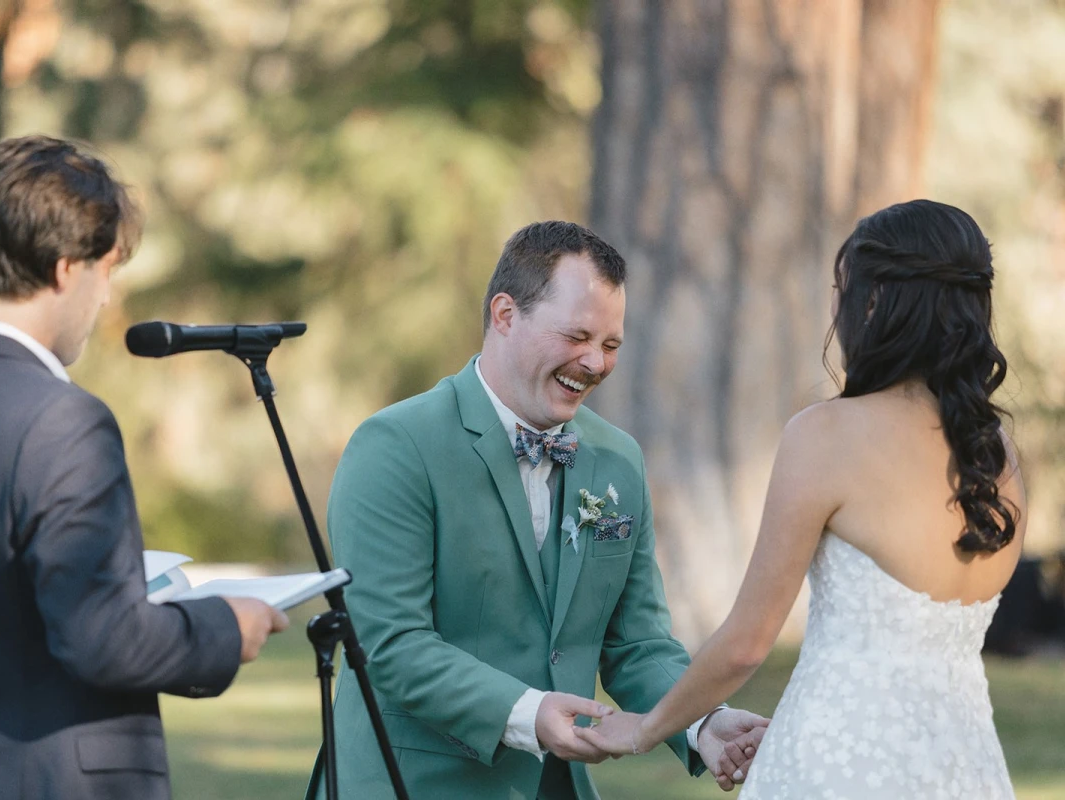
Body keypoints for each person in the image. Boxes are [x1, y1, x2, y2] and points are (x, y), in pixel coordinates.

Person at [0, 135, 289, 800]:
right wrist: (225, 626)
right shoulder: (63, 422)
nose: (105, 297)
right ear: (67, 268)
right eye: (107, 270)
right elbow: (104, 637)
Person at [575, 199, 1024, 799]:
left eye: (843, 288)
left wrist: (646, 729)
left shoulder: (826, 435)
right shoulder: (1000, 456)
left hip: (837, 764)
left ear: (875, 302)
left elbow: (746, 643)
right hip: (964, 766)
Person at [308, 221, 768, 799]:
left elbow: (637, 644)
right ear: (505, 315)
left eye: (611, 344)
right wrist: (530, 712)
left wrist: (701, 722)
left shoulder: (618, 459)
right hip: (411, 786)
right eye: (577, 336)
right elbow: (391, 644)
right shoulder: (396, 447)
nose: (596, 363)